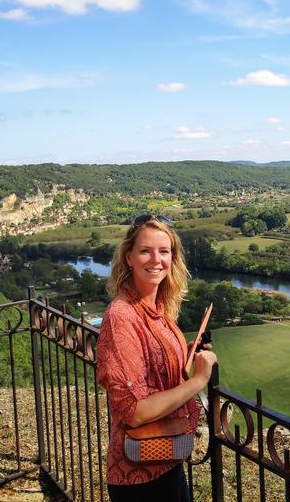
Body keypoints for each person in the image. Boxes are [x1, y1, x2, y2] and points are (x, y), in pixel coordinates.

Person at [96, 214, 217, 502]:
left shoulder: (157, 308)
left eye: (164, 251)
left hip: (167, 458)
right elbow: (135, 411)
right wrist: (199, 380)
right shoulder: (122, 316)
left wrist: (185, 356)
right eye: (145, 251)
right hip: (139, 475)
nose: (156, 259)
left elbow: (155, 373)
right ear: (129, 257)